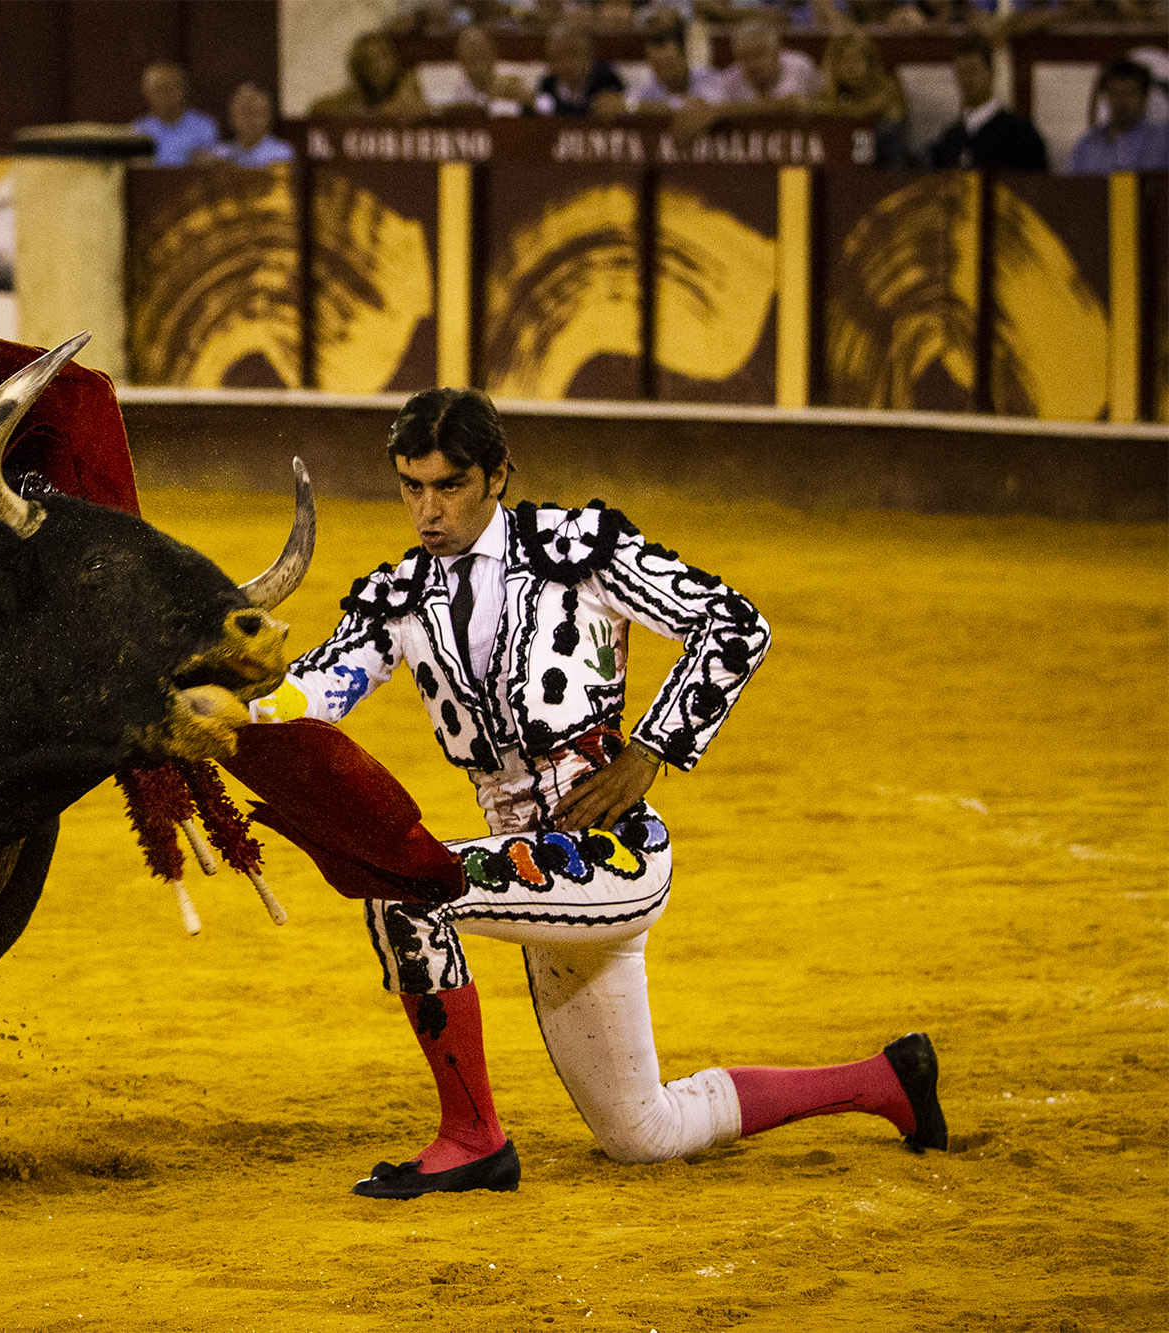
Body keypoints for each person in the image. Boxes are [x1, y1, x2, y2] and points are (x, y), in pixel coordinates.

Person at [255, 388, 947, 1198]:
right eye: (411, 487)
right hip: (531, 871)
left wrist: (651, 749)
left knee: (408, 889)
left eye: (448, 486)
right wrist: (224, 711)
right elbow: (315, 692)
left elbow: (732, 623)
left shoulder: (575, 553)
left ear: (498, 475)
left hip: (609, 855)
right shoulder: (401, 596)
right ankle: (885, 1081)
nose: (427, 509)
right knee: (642, 1132)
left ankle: (472, 1138)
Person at [926, 36, 1045, 171]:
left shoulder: (1021, 134)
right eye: (961, 72)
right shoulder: (950, 138)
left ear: (991, 72)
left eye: (973, 70)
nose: (967, 80)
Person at [817, 29, 911, 167]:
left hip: (889, 166)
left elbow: (861, 114)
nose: (850, 68)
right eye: (843, 62)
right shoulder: (838, 93)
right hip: (849, 166)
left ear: (870, 62)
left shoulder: (888, 86)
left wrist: (833, 109)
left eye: (856, 60)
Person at [1067, 59, 1169, 174]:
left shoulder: (1162, 140)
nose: (1121, 101)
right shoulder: (1087, 144)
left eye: (1130, 94)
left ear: (1144, 97)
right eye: (1115, 93)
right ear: (1105, 95)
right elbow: (1070, 187)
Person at [308, 30, 430, 119]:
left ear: (394, 59)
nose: (376, 66)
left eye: (382, 56)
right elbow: (319, 110)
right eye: (367, 60)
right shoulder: (347, 101)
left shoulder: (408, 90)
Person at [709, 14, 820, 109]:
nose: (752, 63)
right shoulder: (730, 79)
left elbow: (823, 104)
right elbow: (712, 110)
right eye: (744, 57)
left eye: (758, 54)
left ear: (776, 52)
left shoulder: (801, 66)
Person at [624, 8, 723, 111]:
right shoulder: (648, 84)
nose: (665, 73)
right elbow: (628, 105)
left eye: (670, 65)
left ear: (685, 57)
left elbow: (713, 105)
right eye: (657, 66)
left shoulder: (708, 78)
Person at [424, 26, 529, 116]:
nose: (474, 50)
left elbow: (536, 109)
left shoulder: (513, 78)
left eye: (481, 55)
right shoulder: (446, 85)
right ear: (460, 59)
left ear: (493, 54)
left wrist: (525, 98)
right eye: (471, 58)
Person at [131, 61, 219, 167]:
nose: (163, 96)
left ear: (182, 90)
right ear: (146, 93)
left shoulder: (204, 126)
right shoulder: (139, 130)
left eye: (169, 88)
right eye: (157, 89)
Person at [531, 22, 624, 117]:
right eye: (556, 58)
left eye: (572, 54)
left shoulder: (607, 80)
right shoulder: (547, 84)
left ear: (589, 55)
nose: (565, 64)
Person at [201, 82, 295, 166]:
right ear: (231, 116)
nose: (249, 119)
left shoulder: (280, 153)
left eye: (256, 112)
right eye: (243, 111)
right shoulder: (224, 150)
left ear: (269, 116)